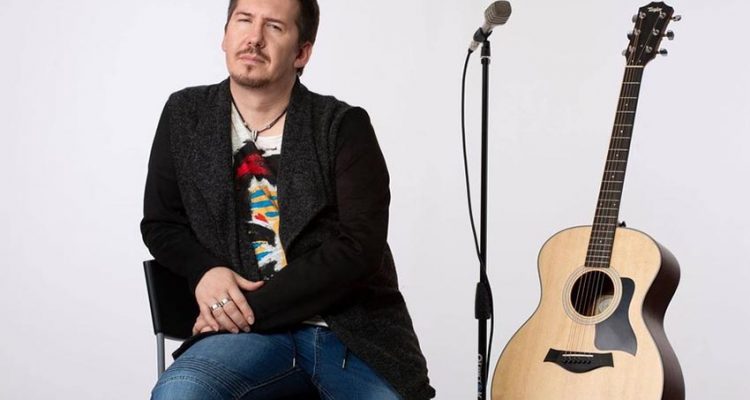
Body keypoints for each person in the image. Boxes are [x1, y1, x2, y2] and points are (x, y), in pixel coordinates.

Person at [140, 0, 435, 398]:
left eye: (275, 27)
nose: (254, 38)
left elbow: (359, 248)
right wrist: (206, 271)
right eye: (244, 20)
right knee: (180, 394)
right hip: (243, 342)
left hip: (348, 333)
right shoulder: (185, 115)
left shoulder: (342, 126)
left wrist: (242, 311)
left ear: (302, 53)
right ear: (225, 35)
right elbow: (162, 224)